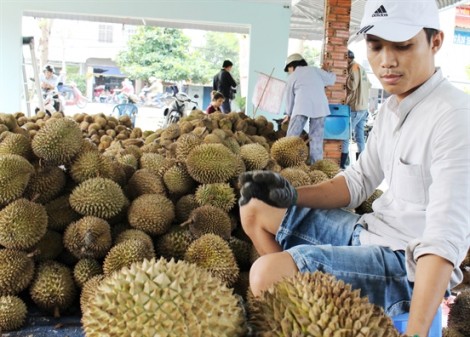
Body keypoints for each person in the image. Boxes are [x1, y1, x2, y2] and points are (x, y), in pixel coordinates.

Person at [238, 1, 470, 336]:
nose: (386, 60)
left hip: (406, 266)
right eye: (376, 46)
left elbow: (443, 240)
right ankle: (308, 312)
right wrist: (288, 194)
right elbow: (356, 183)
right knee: (256, 208)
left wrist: (416, 333)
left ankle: (305, 300)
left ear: (435, 42)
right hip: (367, 234)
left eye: (403, 45)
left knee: (264, 273)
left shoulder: (455, 117)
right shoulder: (392, 109)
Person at [282, 53, 336, 164]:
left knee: (291, 138)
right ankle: (316, 166)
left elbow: (289, 97)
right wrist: (327, 71)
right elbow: (331, 80)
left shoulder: (293, 76)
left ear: (292, 66)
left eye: (289, 69)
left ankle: (285, 162)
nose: (289, 72)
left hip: (302, 106)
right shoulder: (315, 70)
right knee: (316, 140)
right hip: (320, 107)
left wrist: (288, 113)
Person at [340, 50, 372, 169]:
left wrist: (346, 77)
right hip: (363, 107)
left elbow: (352, 86)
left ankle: (342, 164)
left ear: (347, 58)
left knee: (345, 137)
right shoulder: (361, 67)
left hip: (355, 107)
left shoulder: (353, 68)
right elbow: (369, 85)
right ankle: (361, 165)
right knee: (359, 137)